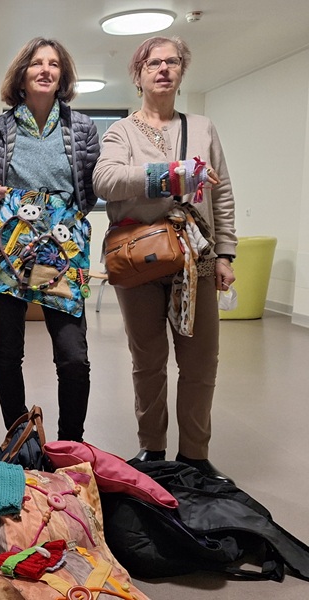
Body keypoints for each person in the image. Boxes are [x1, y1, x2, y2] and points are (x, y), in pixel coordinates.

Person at [93, 36, 236, 482]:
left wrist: (227, 252)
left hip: (198, 258)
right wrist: (171, 175)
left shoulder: (202, 127)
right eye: (153, 63)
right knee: (148, 360)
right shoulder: (122, 131)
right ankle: (152, 449)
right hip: (139, 261)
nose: (164, 69)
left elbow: (224, 192)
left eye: (173, 62)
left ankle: (195, 454)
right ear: (137, 75)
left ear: (181, 71)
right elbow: (106, 180)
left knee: (200, 362)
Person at [0, 38, 99, 442]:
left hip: (57, 255)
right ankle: (20, 437)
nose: (45, 70)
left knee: (73, 356)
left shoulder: (82, 127)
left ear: (63, 76)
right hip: (8, 252)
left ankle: (70, 444)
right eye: (37, 63)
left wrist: (55, 218)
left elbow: (88, 192)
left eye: (54, 64)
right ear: (22, 75)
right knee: (8, 352)